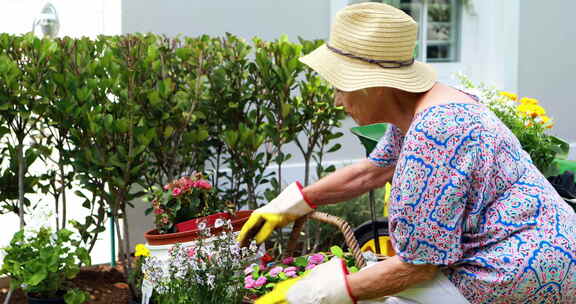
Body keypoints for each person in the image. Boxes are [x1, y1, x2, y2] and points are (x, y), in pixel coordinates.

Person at [237, 3, 576, 304]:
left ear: (375, 84)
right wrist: (295, 202)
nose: (337, 101)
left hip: (514, 272)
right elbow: (373, 170)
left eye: (341, 86)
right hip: (547, 253)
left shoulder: (436, 130)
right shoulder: (427, 105)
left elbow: (420, 266)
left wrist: (311, 295)